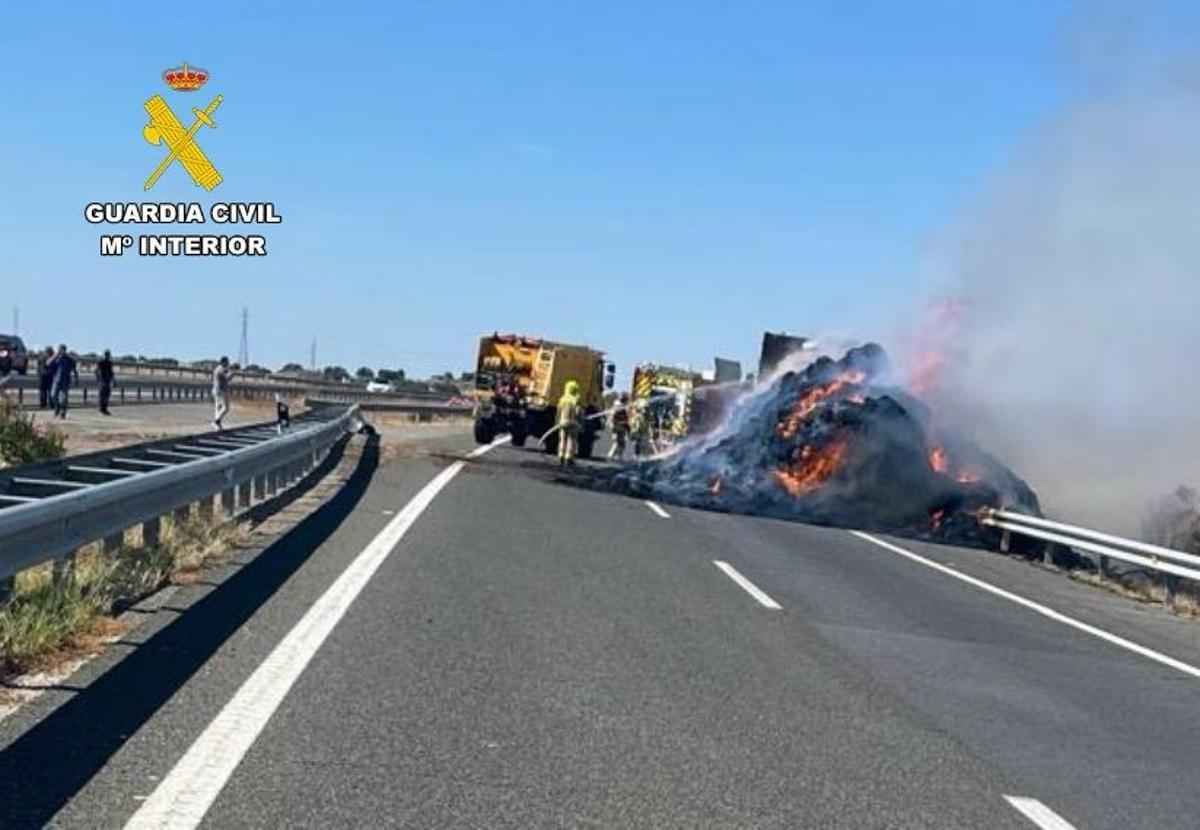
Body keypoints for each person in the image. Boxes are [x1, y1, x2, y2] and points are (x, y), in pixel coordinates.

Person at [555, 379, 581, 465]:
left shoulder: (562, 399)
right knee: (571, 439)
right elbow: (578, 412)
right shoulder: (576, 400)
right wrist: (580, 420)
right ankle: (569, 457)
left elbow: (558, 411)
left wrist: (557, 421)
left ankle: (561, 455)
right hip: (572, 422)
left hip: (563, 421)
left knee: (562, 439)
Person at [49, 344, 78, 419]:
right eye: (60, 350)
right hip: (56, 380)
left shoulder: (69, 360)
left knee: (63, 398)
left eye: (62, 350)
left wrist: (76, 379)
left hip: (65, 381)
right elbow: (48, 363)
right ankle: (57, 407)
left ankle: (63, 412)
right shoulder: (56, 358)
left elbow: (74, 370)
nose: (61, 351)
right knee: (53, 396)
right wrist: (55, 356)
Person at [212, 356, 233, 430]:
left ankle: (217, 425)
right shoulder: (221, 369)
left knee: (218, 407)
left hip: (217, 390)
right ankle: (216, 421)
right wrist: (231, 373)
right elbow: (227, 378)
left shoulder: (218, 368)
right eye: (227, 362)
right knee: (226, 408)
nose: (228, 363)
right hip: (221, 390)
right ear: (224, 362)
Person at [608, 393, 631, 461]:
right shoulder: (619, 406)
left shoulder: (620, 405)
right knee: (618, 442)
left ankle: (618, 456)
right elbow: (614, 416)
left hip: (620, 426)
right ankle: (611, 456)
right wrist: (615, 425)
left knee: (621, 442)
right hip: (618, 426)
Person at [95, 349, 115, 415]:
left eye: (108, 355)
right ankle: (102, 409)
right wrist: (98, 379)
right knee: (102, 395)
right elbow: (96, 371)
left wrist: (113, 380)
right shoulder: (101, 362)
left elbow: (111, 372)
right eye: (106, 355)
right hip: (103, 380)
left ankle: (104, 409)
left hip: (107, 380)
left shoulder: (110, 363)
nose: (107, 356)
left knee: (107, 395)